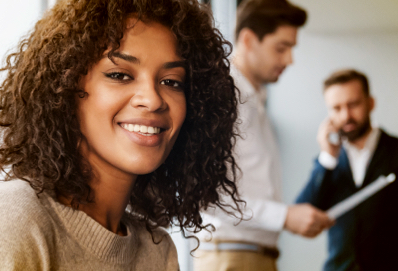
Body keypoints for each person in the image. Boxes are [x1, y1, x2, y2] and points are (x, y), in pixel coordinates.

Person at [0, 0, 242, 270]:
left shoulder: (158, 252)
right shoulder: (15, 219)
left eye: (171, 81)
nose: (152, 100)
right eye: (120, 75)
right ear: (64, 88)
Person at [195, 1, 333, 271]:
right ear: (248, 39)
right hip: (233, 258)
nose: (289, 60)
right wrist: (284, 217)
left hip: (253, 255)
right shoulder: (223, 99)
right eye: (281, 48)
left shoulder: (254, 101)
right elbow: (207, 195)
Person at [296, 69, 398, 271]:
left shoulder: (395, 150)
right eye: (336, 108)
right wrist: (327, 158)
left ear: (370, 103)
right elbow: (303, 212)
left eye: (353, 104)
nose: (346, 116)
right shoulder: (328, 162)